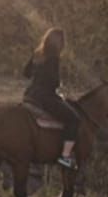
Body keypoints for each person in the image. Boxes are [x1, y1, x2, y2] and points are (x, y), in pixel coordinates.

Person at [23, 27, 80, 170]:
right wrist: (59, 87)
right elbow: (54, 81)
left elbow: (26, 73)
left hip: (30, 95)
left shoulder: (37, 54)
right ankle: (65, 156)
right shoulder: (54, 57)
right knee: (74, 119)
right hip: (45, 97)